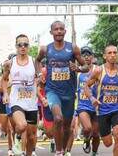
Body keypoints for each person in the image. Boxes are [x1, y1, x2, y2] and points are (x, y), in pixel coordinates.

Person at [35, 20, 88, 156]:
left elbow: (86, 66)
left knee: (67, 126)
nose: (59, 31)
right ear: (51, 32)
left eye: (61, 29)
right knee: (58, 118)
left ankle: (63, 150)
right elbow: (37, 60)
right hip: (52, 91)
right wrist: (40, 73)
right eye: (56, 29)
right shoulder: (46, 49)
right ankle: (58, 152)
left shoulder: (73, 48)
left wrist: (78, 68)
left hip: (69, 93)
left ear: (65, 31)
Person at [84, 45, 118, 156]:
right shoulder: (99, 71)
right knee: (108, 143)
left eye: (115, 52)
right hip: (102, 110)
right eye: (110, 53)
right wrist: (92, 98)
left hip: (117, 109)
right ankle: (89, 139)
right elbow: (86, 86)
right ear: (104, 56)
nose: (113, 55)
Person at [2, 34, 38, 156]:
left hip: (31, 102)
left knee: (31, 137)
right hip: (16, 101)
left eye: (25, 44)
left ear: (28, 46)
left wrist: (42, 88)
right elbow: (4, 79)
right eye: (20, 44)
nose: (23, 47)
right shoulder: (9, 63)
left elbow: (40, 79)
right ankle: (17, 138)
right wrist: (6, 94)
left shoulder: (34, 62)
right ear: (16, 46)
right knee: (22, 125)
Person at [74, 46, 100, 156]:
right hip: (83, 105)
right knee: (87, 128)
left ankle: (94, 152)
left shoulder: (98, 70)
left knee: (96, 134)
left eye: (88, 55)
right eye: (83, 55)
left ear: (92, 57)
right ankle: (86, 139)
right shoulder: (77, 72)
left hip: (96, 106)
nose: (86, 57)